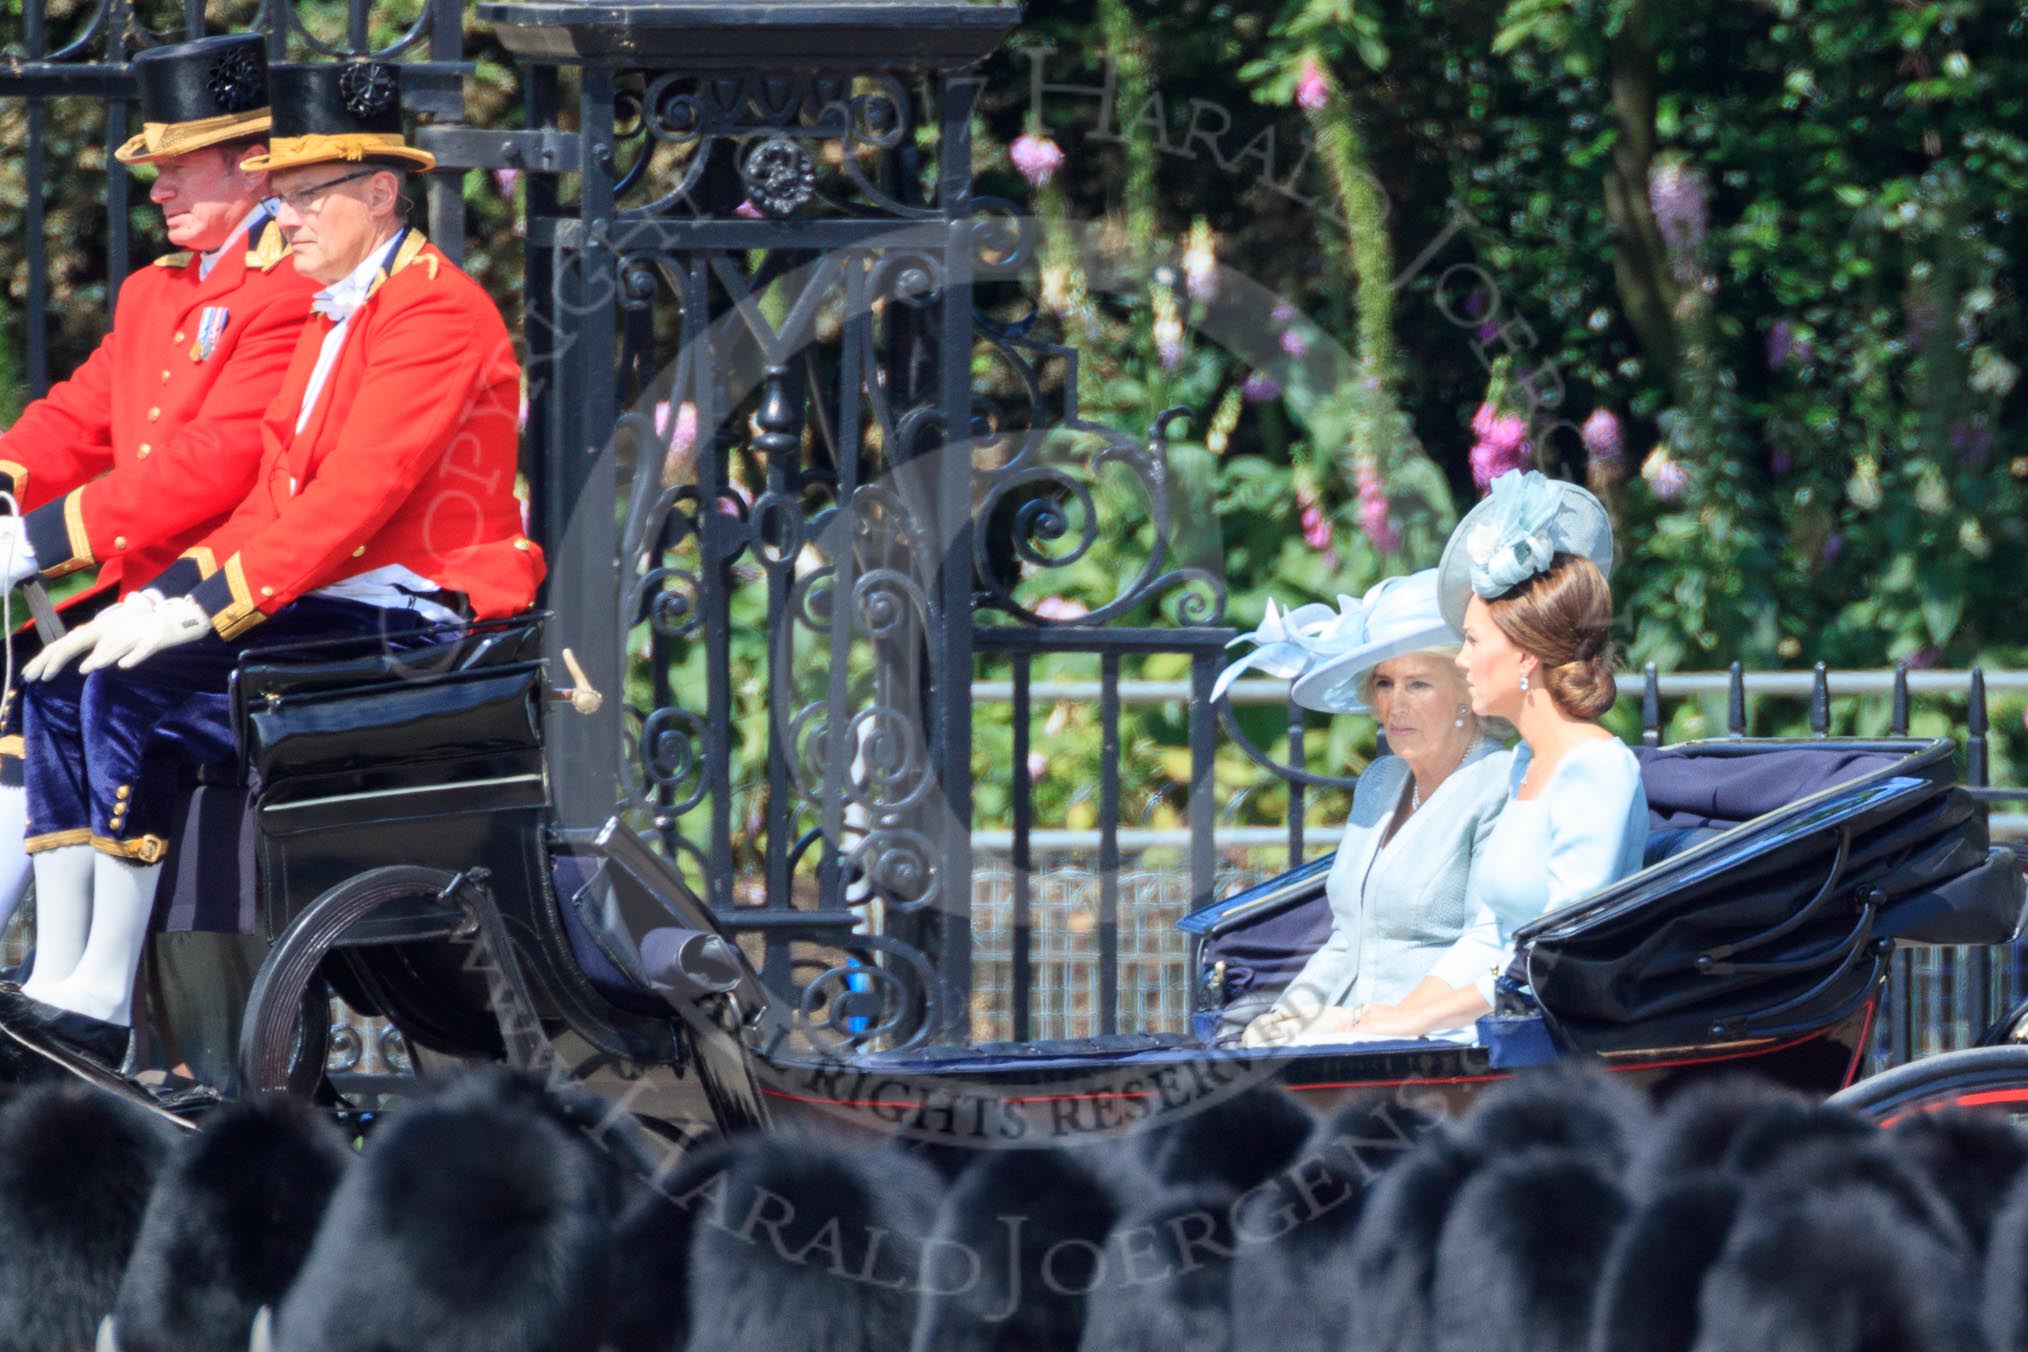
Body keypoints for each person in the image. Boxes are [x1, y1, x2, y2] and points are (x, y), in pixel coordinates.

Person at [0, 59, 544, 1069]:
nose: (282, 218)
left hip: (417, 610)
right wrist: (175, 586)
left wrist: (202, 602)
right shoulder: (341, 302)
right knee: (70, 670)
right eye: (281, 197)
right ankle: (63, 971)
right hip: (328, 590)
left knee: (132, 683)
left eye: (301, 197)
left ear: (378, 193)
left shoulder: (434, 311)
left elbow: (353, 502)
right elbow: (274, 497)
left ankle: (103, 987)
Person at [0, 32, 317, 955]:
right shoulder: (156, 292)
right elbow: (81, 415)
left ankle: (91, 977)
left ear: (255, 168)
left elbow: (218, 462)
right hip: (153, 576)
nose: (158, 185)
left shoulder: (294, 288)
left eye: (180, 165)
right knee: (31, 679)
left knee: (80, 688)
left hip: (231, 583)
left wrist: (44, 539)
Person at [1347, 470, 1646, 1041]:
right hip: (1493, 1024)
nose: (1459, 660)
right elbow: (1489, 936)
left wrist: (1416, 1022)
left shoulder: (1598, 770)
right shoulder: (1524, 763)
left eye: (1473, 641)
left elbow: (1556, 958)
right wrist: (1390, 1020)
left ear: (1526, 657)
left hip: (1548, 1042)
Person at [1234, 570, 1511, 1049]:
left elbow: (1486, 945)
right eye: (1384, 683)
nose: (1395, 705)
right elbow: (1347, 940)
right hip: (1351, 1035)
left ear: (1466, 689)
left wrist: (1382, 1023)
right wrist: (1285, 1021)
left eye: (1418, 684)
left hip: (1441, 1040)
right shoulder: (1380, 782)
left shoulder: (1498, 783)